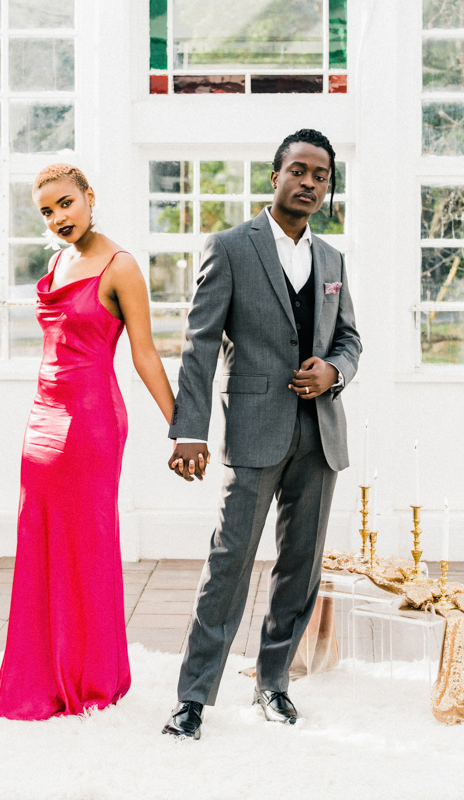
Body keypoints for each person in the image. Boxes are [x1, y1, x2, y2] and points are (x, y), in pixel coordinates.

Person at [163, 129, 362, 738]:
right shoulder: (229, 247)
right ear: (275, 175)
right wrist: (188, 431)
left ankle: (272, 684)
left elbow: (350, 340)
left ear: (328, 188)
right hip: (253, 431)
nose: (308, 182)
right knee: (229, 564)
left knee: (300, 570)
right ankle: (193, 697)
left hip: (320, 435)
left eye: (320, 175)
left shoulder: (331, 260)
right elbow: (198, 346)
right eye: (298, 170)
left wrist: (334, 371)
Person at [0, 163, 202, 720]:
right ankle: (44, 671)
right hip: (41, 421)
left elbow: (145, 353)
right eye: (47, 211)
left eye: (65, 203)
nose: (58, 217)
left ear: (89, 196)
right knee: (41, 543)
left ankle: (90, 677)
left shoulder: (120, 266)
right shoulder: (58, 260)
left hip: (90, 423)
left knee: (87, 545)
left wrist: (182, 425)